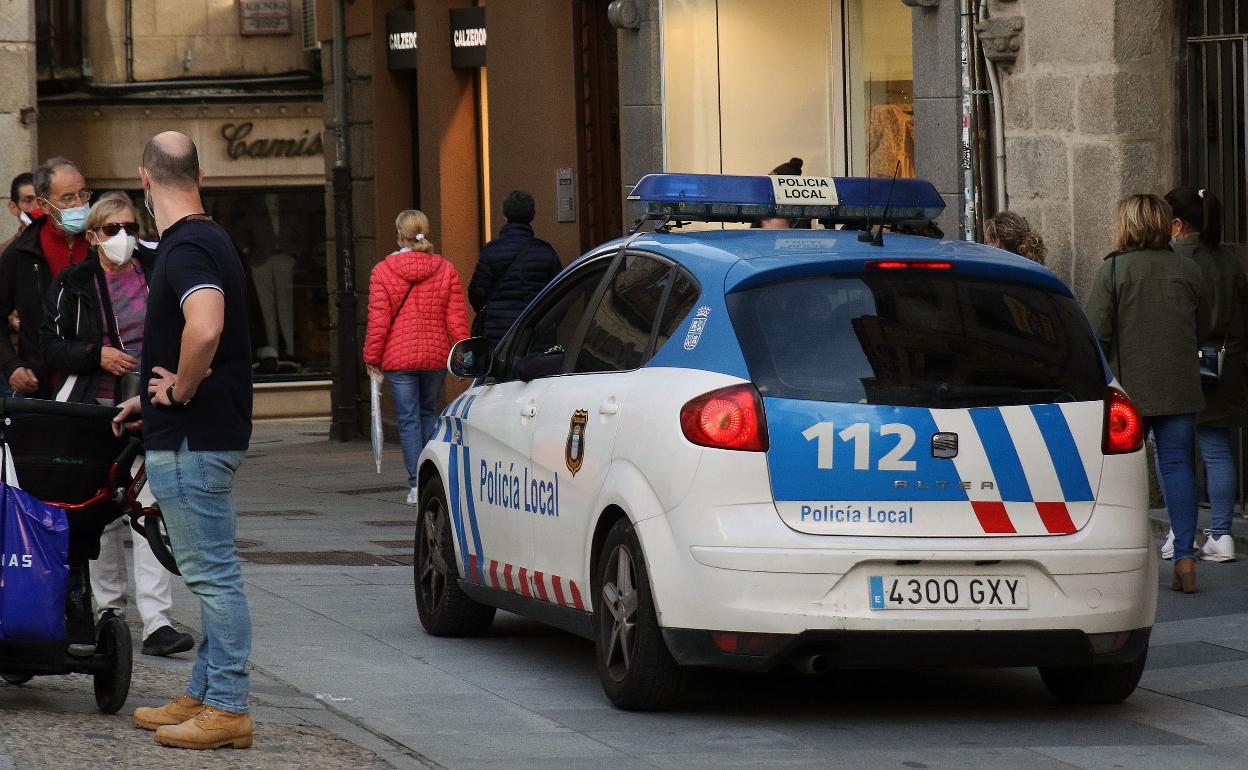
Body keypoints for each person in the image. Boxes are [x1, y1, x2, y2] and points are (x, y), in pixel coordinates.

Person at [115, 131, 255, 750]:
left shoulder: (188, 244)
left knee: (213, 576)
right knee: (208, 574)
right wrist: (149, 397)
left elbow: (205, 328)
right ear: (199, 173)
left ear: (145, 179)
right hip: (196, 431)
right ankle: (203, 693)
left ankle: (227, 708)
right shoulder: (206, 237)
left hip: (196, 438)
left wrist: (178, 392)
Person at [40, 194, 194, 657]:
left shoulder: (157, 270)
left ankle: (157, 622)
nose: (122, 236)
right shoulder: (74, 282)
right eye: (111, 229)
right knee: (100, 512)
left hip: (149, 406)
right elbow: (50, 345)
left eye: (129, 225)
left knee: (150, 508)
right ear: (92, 236)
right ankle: (109, 611)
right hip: (94, 409)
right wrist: (96, 355)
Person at [1085, 194, 1210, 593]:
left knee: (1125, 472)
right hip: (1178, 384)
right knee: (1177, 465)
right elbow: (1203, 328)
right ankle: (1186, 559)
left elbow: (1096, 335)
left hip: (1129, 392)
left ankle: (1133, 559)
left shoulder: (1115, 270)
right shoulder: (1188, 270)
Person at [1162, 187, 1247, 563]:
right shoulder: (1229, 259)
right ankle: (1222, 534)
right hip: (1227, 361)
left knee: (1173, 452)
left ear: (1177, 224)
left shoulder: (1173, 259)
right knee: (1217, 447)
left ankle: (1180, 533)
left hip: (1184, 360)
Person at [364, 210, 470, 505]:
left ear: (399, 234)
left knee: (409, 420)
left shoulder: (383, 271)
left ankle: (416, 484)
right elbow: (456, 319)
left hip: (399, 360)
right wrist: (462, 355)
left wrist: (372, 356)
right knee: (429, 415)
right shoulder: (446, 269)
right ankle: (431, 476)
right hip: (435, 356)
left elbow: (379, 321)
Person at [0, 157, 93, 397]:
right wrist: (12, 366)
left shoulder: (101, 243)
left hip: (94, 385)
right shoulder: (21, 253)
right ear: (44, 203)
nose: (80, 204)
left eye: (83, 194)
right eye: (68, 198)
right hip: (41, 388)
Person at [468, 190, 562, 347]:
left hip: (498, 333)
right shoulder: (546, 251)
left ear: (504, 216)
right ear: (532, 215)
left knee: (499, 371)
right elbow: (559, 293)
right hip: (535, 333)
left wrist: (491, 311)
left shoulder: (492, 251)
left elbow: (476, 293)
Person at [2, 172, 38, 253]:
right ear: (14, 208)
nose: (38, 207)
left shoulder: (66, 243)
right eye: (28, 201)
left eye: (41, 199)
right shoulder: (5, 252)